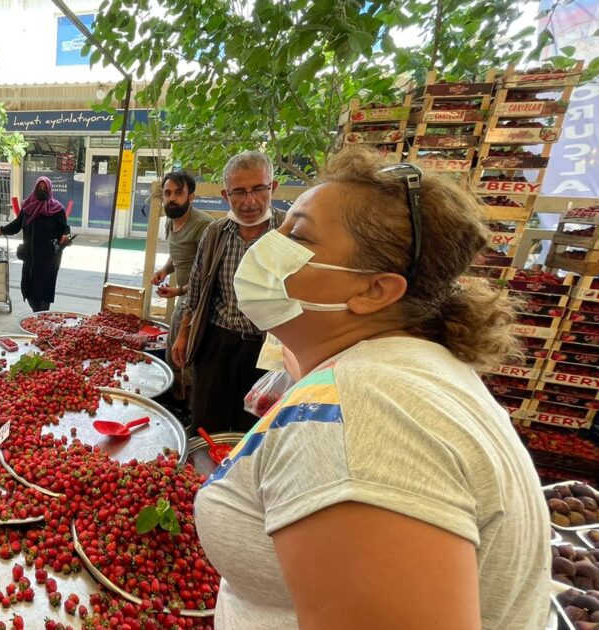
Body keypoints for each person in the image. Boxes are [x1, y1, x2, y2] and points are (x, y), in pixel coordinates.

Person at [194, 148, 548, 630]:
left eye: (297, 236)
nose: (269, 247)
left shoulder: (362, 416)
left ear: (374, 291)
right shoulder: (399, 367)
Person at [172, 151, 283, 433]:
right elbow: (195, 290)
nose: (249, 201)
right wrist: (184, 334)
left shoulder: (289, 231)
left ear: (273, 187)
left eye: (259, 189)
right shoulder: (215, 233)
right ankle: (202, 475)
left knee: (254, 428)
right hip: (218, 342)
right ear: (226, 194)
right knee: (207, 422)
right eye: (239, 192)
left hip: (267, 349)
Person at [150, 170, 214, 403]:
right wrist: (164, 271)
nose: (172, 198)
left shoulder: (204, 227)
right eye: (167, 193)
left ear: (191, 197)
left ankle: (188, 405)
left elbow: (207, 276)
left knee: (185, 354)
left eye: (178, 193)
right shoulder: (171, 221)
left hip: (200, 300)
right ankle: (177, 398)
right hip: (184, 298)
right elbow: (178, 257)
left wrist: (179, 291)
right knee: (173, 350)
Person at [0, 176, 71, 312]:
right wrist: (1, 230)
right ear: (35, 188)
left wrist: (66, 236)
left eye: (45, 188)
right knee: (28, 290)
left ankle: (40, 318)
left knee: (44, 291)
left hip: (49, 258)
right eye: (40, 187)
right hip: (29, 257)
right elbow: (17, 224)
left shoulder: (57, 209)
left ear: (50, 189)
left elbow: (65, 228)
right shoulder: (27, 206)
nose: (42, 190)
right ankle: (38, 314)